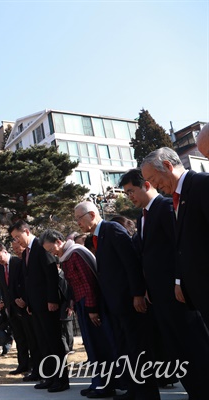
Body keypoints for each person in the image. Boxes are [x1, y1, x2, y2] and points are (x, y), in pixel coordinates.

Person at [120, 168, 209, 398]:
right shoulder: (142, 218)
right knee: (179, 351)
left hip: (179, 295)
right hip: (159, 298)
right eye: (126, 193)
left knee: (195, 348)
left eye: (131, 191)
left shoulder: (166, 207)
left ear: (147, 185)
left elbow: (181, 249)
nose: (130, 197)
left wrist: (179, 281)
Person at [75, 200, 159, 400]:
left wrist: (138, 293)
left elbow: (131, 262)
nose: (77, 222)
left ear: (92, 215)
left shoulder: (112, 229)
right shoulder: (99, 236)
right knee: (126, 349)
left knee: (137, 349)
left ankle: (146, 394)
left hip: (130, 302)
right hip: (116, 305)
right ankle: (133, 391)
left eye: (79, 217)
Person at [39, 229, 117, 398]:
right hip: (81, 304)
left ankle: (105, 384)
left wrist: (92, 308)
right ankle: (97, 382)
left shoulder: (76, 254)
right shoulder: (66, 256)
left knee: (99, 346)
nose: (52, 253)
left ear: (59, 241)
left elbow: (88, 283)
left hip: (90, 305)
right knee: (91, 347)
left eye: (51, 249)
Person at [141, 147, 209, 325]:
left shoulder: (202, 184)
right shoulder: (178, 197)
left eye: (153, 179)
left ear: (167, 165)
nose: (154, 186)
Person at [10, 221, 69, 393]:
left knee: (53, 342)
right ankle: (49, 377)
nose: (16, 241)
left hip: (47, 305)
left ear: (26, 231)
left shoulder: (40, 245)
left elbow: (51, 273)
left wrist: (53, 299)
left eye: (17, 237)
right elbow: (29, 281)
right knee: (43, 343)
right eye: (13, 238)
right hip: (35, 306)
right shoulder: (27, 252)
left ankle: (61, 379)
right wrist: (28, 303)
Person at [0, 242, 30, 371]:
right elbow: (3, 288)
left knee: (30, 338)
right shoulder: (0, 268)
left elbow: (25, 283)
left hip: (23, 307)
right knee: (19, 338)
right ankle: (23, 365)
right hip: (11, 309)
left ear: (5, 251)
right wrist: (5, 305)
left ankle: (34, 366)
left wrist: (24, 299)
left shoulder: (17, 262)